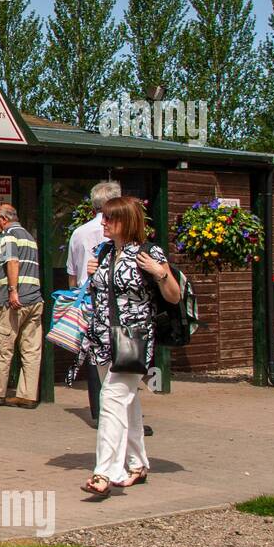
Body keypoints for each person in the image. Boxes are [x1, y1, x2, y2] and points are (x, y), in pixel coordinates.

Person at [80, 196, 181, 497]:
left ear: (126, 221)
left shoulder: (148, 253)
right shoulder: (104, 252)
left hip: (133, 338)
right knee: (127, 401)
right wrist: (92, 274)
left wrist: (159, 272)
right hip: (101, 337)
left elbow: (174, 296)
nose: (103, 223)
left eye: (110, 218)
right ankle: (137, 464)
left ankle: (105, 472)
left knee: (111, 398)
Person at [0, 204, 44, 409]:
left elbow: (12, 262)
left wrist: (13, 290)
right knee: (31, 349)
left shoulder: (7, 235)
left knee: (2, 347)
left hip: (13, 301)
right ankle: (28, 395)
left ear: (3, 220)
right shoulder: (30, 238)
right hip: (34, 299)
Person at [67, 181, 121, 422]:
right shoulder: (121, 233)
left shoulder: (79, 233)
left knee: (93, 354)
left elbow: (71, 273)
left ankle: (99, 411)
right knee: (121, 353)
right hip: (115, 302)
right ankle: (116, 410)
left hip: (87, 300)